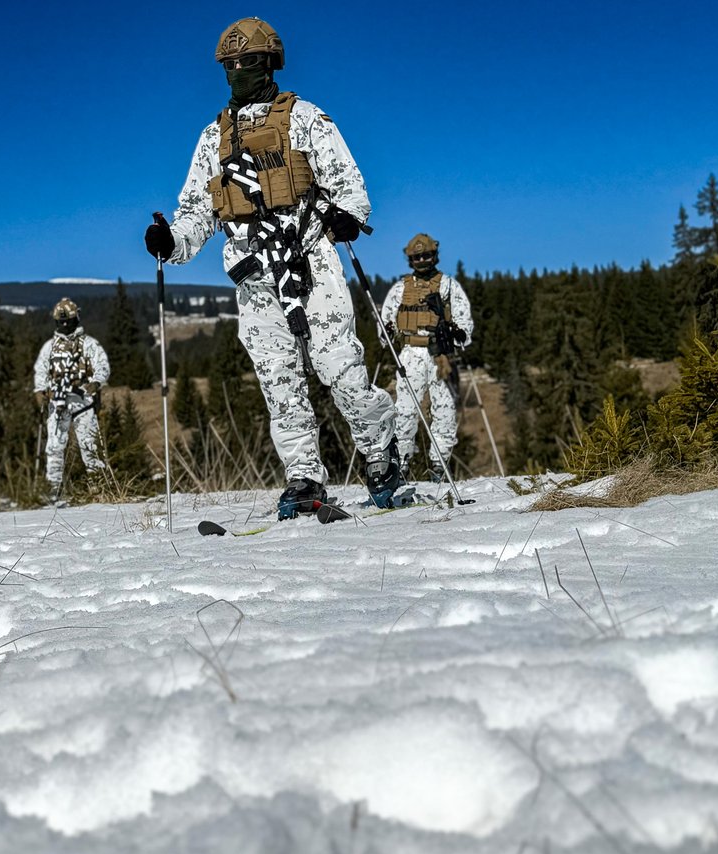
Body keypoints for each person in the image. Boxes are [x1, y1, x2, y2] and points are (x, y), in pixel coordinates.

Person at [143, 17, 401, 514]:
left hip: (309, 259)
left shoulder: (306, 118)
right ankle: (304, 479)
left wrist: (348, 216)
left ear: (270, 64)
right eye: (230, 65)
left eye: (249, 63)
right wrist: (170, 240)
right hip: (253, 274)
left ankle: (380, 450)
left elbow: (349, 183)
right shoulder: (211, 139)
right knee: (279, 381)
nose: (239, 72)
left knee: (338, 368)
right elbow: (197, 211)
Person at [378, 233, 474, 481]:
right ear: (410, 259)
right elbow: (386, 323)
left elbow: (464, 323)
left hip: (440, 354)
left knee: (444, 409)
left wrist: (457, 333)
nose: (422, 260)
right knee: (405, 410)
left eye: (426, 255)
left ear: (435, 255)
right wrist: (386, 332)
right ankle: (402, 463)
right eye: (416, 256)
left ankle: (439, 465)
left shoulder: (448, 286)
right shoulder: (400, 289)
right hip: (410, 353)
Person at [32, 299, 110, 502]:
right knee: (55, 447)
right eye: (61, 322)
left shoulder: (89, 344)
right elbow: (41, 370)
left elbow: (102, 366)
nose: (65, 325)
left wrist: (96, 383)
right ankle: (53, 489)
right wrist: (40, 390)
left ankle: (98, 487)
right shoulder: (50, 347)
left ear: (76, 318)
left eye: (69, 321)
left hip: (83, 403)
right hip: (58, 405)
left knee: (90, 444)